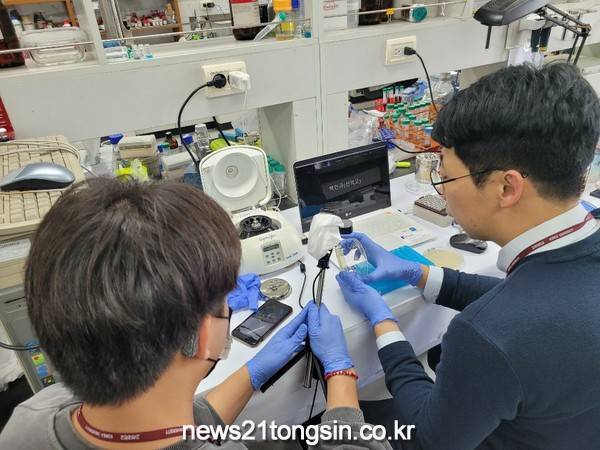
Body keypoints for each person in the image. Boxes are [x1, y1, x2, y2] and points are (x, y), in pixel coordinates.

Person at [0, 178, 392, 450]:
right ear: (203, 336)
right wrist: (339, 371)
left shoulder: (30, 419)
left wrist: (251, 373)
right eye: (227, 301)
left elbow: (166, 428)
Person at [335, 62, 600, 449]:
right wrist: (420, 274)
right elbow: (543, 305)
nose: (442, 189)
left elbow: (429, 441)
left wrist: (384, 324)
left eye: (445, 175)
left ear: (506, 188)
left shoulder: (486, 336)